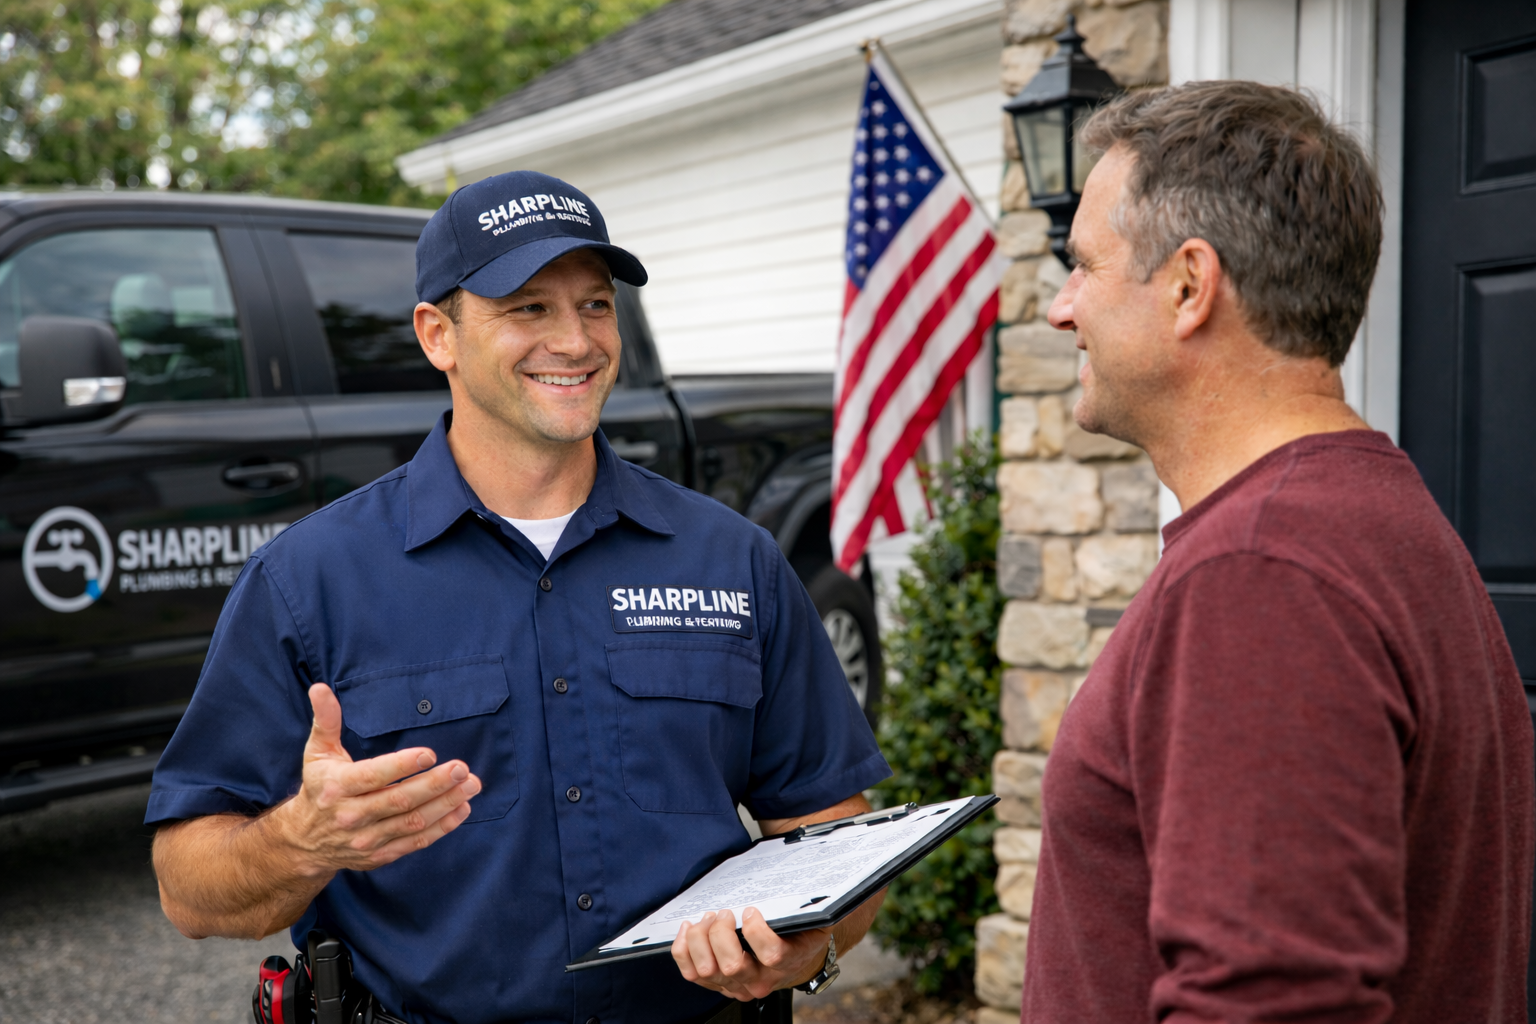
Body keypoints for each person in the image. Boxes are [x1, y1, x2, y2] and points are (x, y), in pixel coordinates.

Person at [146, 170, 890, 1024]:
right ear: (439, 335)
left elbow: (832, 834)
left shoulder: (734, 561)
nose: (575, 340)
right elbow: (188, 890)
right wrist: (303, 839)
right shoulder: (308, 581)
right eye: (528, 307)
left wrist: (811, 943)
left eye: (595, 304)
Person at [1022, 82, 1533, 1023]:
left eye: (1084, 265)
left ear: (1189, 285)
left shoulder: (1262, 571)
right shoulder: (1373, 520)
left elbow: (1270, 1002)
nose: (1061, 309)